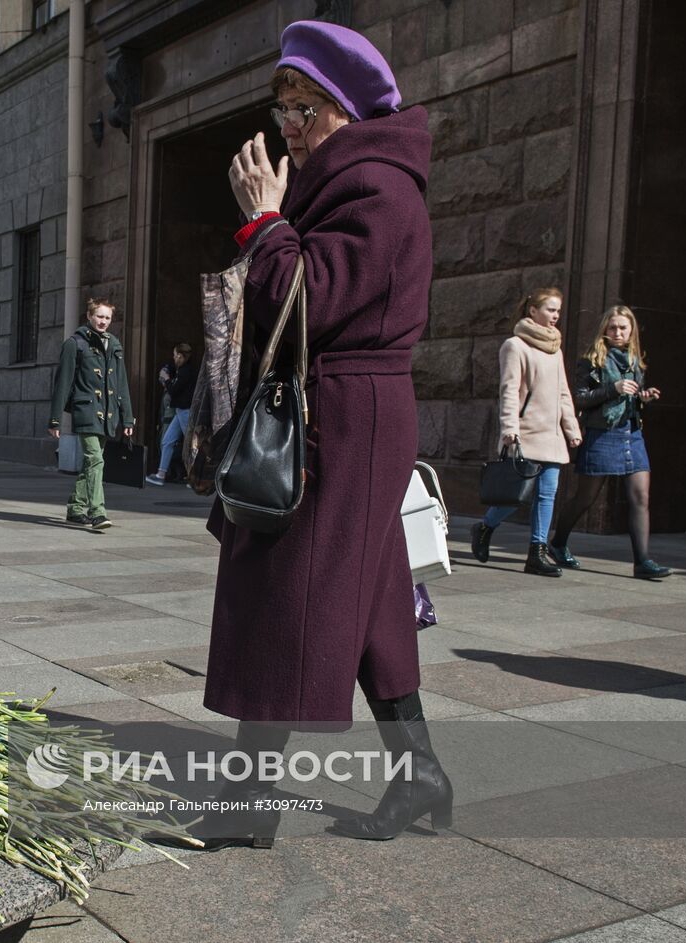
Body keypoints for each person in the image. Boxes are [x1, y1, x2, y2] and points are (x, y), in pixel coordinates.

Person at [201, 20, 453, 847]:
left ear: (339, 109)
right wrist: (273, 225)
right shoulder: (348, 179)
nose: (286, 131)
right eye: (281, 113)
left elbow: (311, 299)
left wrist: (266, 225)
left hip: (344, 416)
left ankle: (249, 804)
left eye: (298, 110)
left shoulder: (378, 186)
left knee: (278, 586)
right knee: (375, 600)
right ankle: (421, 775)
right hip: (343, 410)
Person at [549, 306, 670, 580]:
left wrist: (644, 397)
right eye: (612, 327)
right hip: (602, 435)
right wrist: (612, 389)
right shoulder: (594, 361)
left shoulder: (635, 360)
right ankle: (557, 543)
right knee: (585, 498)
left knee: (640, 497)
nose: (617, 332)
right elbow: (580, 398)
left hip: (631, 433)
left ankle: (642, 561)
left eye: (623, 328)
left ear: (631, 331)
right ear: (605, 329)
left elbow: (631, 399)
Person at [470, 288, 582, 577]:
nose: (555, 316)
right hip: (526, 433)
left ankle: (537, 553)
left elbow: (563, 393)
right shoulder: (515, 346)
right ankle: (485, 527)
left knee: (547, 494)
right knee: (515, 496)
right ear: (533, 310)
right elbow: (508, 390)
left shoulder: (555, 349)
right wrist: (509, 428)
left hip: (552, 436)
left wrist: (571, 428)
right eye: (550, 309)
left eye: (558, 311)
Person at [48, 299, 135, 529]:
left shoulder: (114, 344)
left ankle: (75, 507)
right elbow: (63, 383)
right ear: (89, 316)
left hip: (108, 414)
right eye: (99, 316)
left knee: (92, 464)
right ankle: (97, 512)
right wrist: (55, 419)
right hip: (86, 411)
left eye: (107, 317)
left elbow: (122, 383)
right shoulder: (74, 343)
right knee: (95, 459)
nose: (103, 321)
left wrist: (127, 417)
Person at [146, 343, 198, 486]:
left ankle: (194, 477)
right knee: (167, 441)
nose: (174, 358)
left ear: (180, 356)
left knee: (191, 444)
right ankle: (161, 474)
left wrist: (166, 379)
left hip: (184, 410)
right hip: (180, 410)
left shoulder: (185, 371)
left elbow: (174, 390)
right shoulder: (184, 370)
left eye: (175, 355)